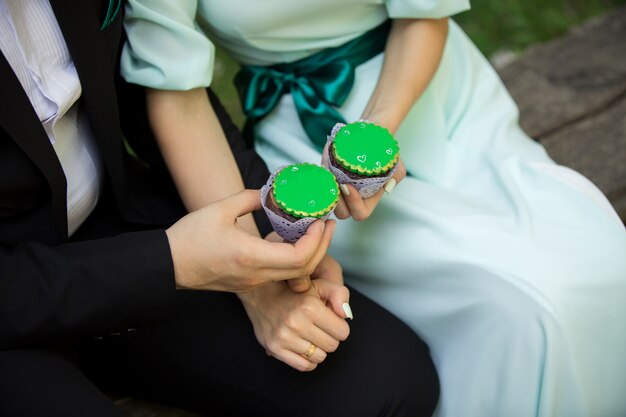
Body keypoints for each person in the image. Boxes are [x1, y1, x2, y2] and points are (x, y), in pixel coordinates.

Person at [120, 0, 626, 417]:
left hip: (433, 99)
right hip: (307, 143)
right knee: (518, 312)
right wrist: (252, 272)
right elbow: (173, 92)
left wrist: (376, 133)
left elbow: (424, 14)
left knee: (597, 259)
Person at [0, 1, 441, 416]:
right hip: (19, 302)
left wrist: (264, 251)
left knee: (392, 384)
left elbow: (152, 84)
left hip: (116, 222)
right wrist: (167, 263)